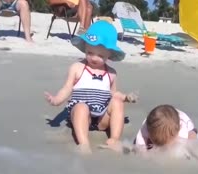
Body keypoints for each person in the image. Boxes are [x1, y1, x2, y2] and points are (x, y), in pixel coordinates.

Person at [44, 21, 135, 154]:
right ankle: (84, 143)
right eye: (90, 52)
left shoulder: (111, 73)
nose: (94, 58)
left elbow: (113, 94)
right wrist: (57, 100)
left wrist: (126, 97)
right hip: (81, 116)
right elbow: (67, 88)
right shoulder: (77, 68)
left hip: (101, 118)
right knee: (81, 107)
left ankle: (114, 139)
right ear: (85, 47)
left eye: (100, 55)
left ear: (109, 54)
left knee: (117, 103)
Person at [133, 104, 198, 163]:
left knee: (192, 136)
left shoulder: (182, 129)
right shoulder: (145, 128)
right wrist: (143, 154)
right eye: (156, 141)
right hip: (160, 124)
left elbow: (181, 145)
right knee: (138, 144)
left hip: (186, 125)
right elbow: (140, 145)